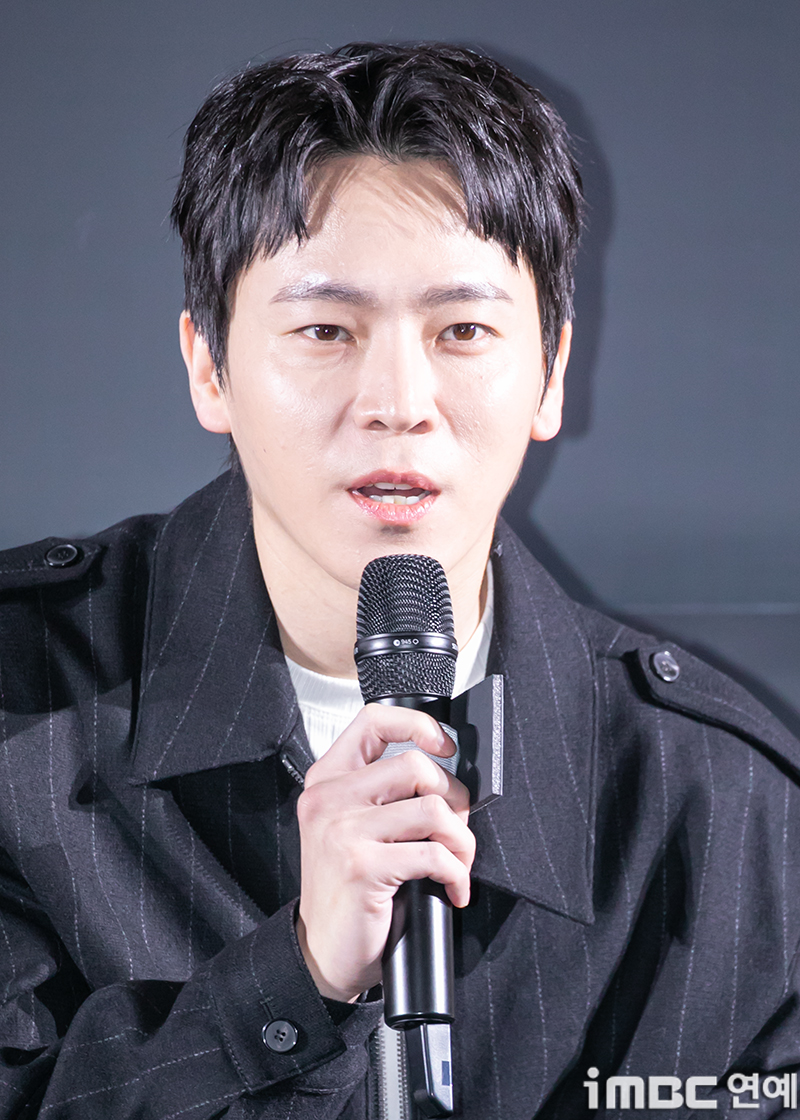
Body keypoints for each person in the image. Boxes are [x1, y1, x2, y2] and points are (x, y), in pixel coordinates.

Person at [1, 41, 799, 1120]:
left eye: (462, 330)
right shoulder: (19, 712)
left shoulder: (726, 810)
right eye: (324, 330)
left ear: (551, 373)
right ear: (208, 366)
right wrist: (295, 979)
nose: (398, 402)